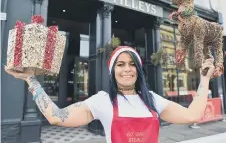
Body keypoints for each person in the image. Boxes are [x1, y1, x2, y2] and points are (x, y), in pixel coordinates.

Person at [5, 46, 215, 143]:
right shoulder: (103, 101)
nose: (126, 69)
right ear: (113, 72)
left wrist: (204, 80)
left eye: (132, 65)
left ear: (139, 71)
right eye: (120, 65)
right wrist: (30, 80)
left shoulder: (152, 99)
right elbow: (56, 117)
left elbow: (192, 116)